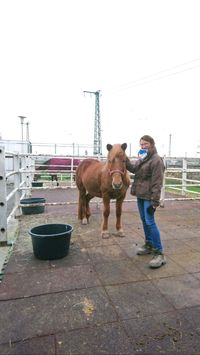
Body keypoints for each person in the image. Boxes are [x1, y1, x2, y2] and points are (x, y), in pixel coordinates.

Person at [126, 135, 166, 268]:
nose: (143, 146)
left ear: (152, 144)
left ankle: (159, 253)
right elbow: (133, 169)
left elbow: (157, 182)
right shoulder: (143, 157)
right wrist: (125, 160)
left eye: (145, 144)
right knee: (144, 221)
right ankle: (149, 245)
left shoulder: (156, 160)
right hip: (140, 194)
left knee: (150, 222)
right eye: (141, 144)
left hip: (149, 197)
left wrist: (155, 202)